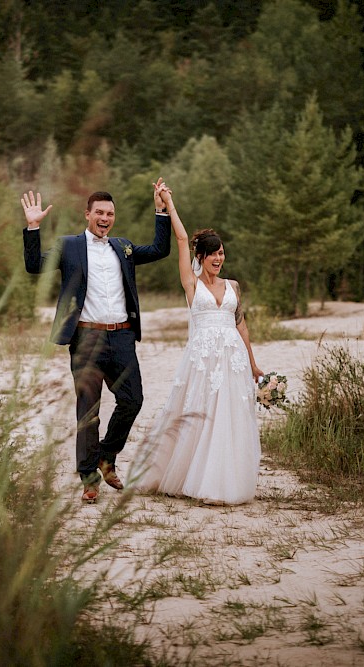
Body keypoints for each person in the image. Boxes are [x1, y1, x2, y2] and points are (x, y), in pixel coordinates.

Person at [22, 184, 171, 503]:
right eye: (99, 213)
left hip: (121, 336)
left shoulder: (123, 247)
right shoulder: (69, 246)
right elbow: (35, 266)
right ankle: (89, 477)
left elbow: (160, 249)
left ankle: (107, 456)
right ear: (87, 214)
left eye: (110, 214)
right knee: (87, 411)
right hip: (86, 338)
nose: (105, 218)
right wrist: (33, 226)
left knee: (133, 399)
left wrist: (161, 210)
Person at [135, 182, 264, 505]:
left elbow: (241, 325)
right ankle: (183, 474)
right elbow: (180, 238)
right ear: (201, 256)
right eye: (214, 254)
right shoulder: (191, 284)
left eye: (222, 253)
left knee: (229, 417)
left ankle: (223, 481)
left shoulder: (233, 286)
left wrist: (253, 364)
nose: (219, 258)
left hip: (232, 359)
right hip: (203, 360)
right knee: (197, 413)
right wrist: (168, 204)